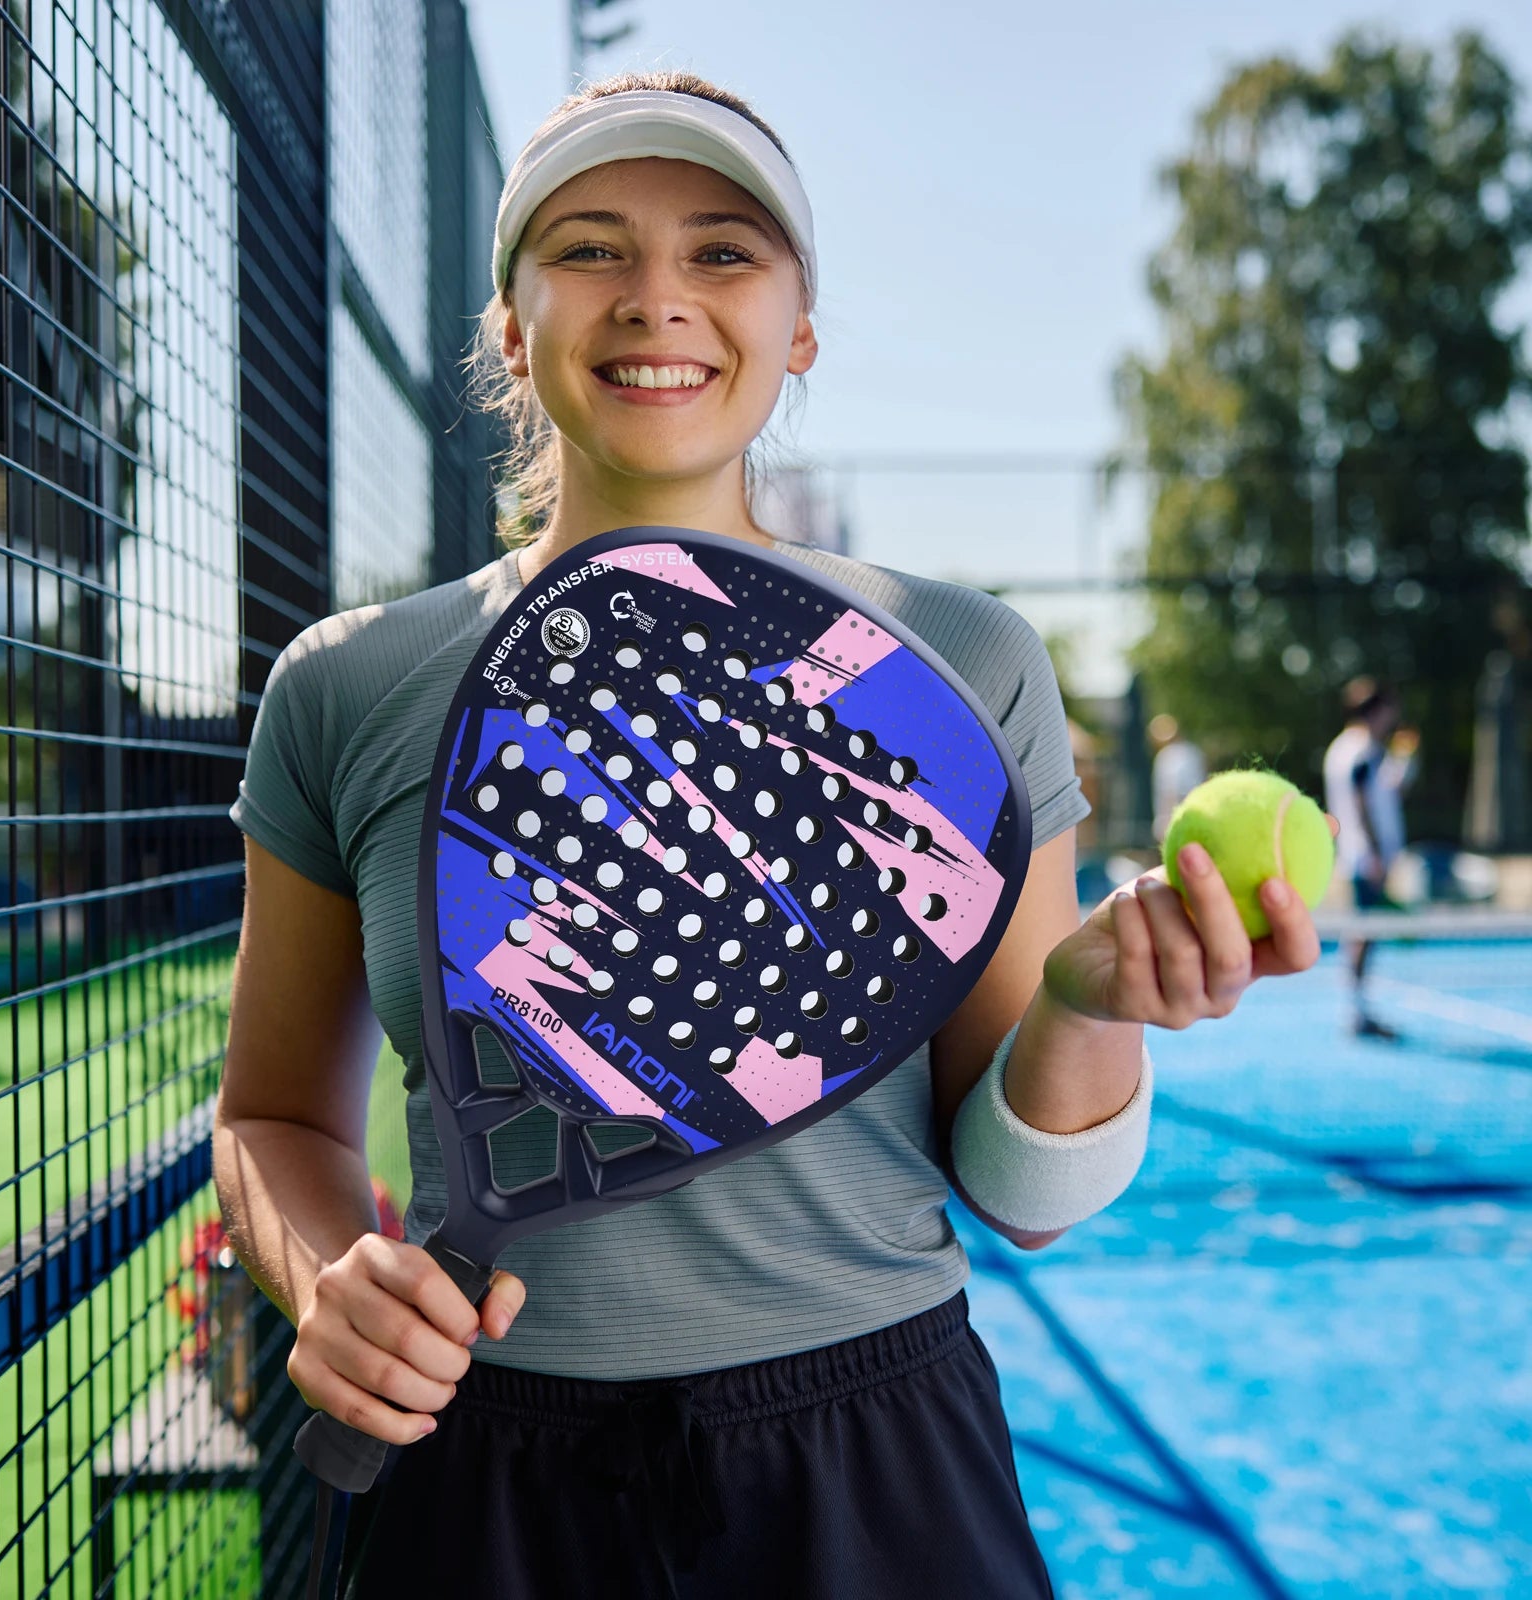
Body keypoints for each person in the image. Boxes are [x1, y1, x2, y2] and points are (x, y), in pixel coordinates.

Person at [213, 71, 1327, 1600]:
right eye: (593, 248)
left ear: (799, 327)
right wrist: (330, 1275)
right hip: (483, 1482)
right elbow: (274, 1118)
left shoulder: (963, 661)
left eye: (723, 253)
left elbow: (1029, 1197)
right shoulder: (344, 684)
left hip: (876, 1465)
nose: (657, 297)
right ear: (511, 329)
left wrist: (1089, 1007)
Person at [1321, 676, 1420, 1040]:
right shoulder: (1364, 749)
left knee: (1365, 932)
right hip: (1366, 858)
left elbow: (1381, 795)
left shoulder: (1346, 748)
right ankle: (1357, 1011)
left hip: (1358, 855)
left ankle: (1358, 1009)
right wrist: (1377, 853)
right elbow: (1363, 804)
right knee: (1365, 932)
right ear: (1375, 710)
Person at [1148, 712, 1206, 844]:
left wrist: (1165, 823)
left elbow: (1170, 791)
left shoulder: (1166, 756)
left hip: (1175, 821)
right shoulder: (1193, 751)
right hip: (1198, 816)